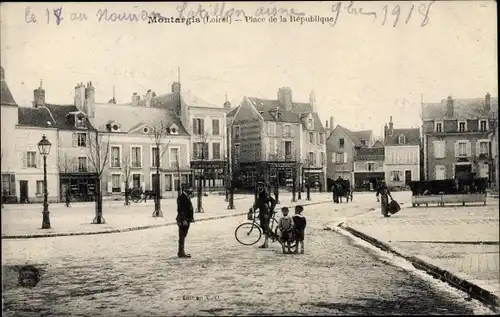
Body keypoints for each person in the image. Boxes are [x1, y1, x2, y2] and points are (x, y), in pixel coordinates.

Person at [253, 181, 276, 249]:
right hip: (262, 213)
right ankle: (266, 242)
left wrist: (271, 210)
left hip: (266, 214)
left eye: (261, 186)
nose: (259, 188)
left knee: (265, 228)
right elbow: (258, 204)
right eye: (258, 186)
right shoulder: (261, 194)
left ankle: (274, 237)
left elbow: (273, 201)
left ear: (263, 187)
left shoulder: (265, 195)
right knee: (263, 227)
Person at [176, 184, 194, 258]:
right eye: (189, 189)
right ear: (185, 189)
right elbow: (181, 210)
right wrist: (183, 220)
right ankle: (181, 252)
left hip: (186, 219)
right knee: (182, 235)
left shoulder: (186, 196)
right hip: (183, 220)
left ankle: (181, 251)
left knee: (183, 235)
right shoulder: (181, 197)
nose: (190, 190)